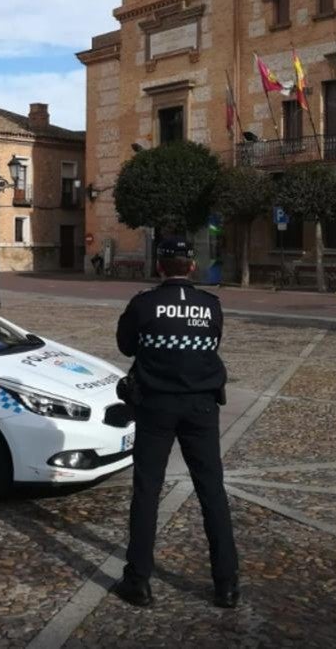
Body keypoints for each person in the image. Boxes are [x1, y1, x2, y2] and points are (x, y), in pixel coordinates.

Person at [112, 237, 239, 609]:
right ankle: (227, 584)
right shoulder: (211, 306)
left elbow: (126, 346)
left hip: (156, 406)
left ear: (159, 267)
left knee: (147, 491)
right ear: (193, 267)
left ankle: (138, 581)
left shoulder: (144, 304)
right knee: (212, 491)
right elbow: (212, 342)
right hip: (201, 406)